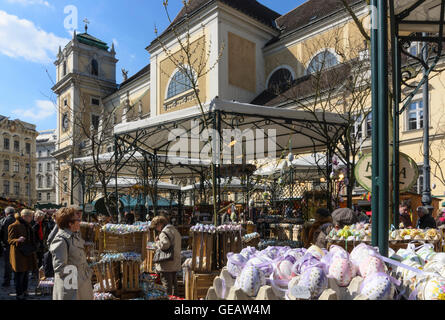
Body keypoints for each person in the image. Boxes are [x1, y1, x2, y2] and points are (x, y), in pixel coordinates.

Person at [50, 207, 93, 300]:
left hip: (82, 284)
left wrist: (87, 273)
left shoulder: (74, 236)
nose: (80, 222)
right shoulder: (61, 240)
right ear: (70, 223)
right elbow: (60, 268)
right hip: (71, 289)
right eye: (78, 220)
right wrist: (76, 281)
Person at [8, 209, 38, 300]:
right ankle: (19, 293)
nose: (32, 219)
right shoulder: (13, 226)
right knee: (19, 275)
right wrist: (18, 240)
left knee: (25, 275)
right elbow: (9, 240)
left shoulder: (27, 225)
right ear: (25, 216)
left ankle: (25, 291)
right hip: (18, 255)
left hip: (27, 253)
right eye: (31, 217)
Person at [151, 216, 181, 296]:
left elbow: (165, 245)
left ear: (160, 224)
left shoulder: (163, 233)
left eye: (156, 227)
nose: (156, 229)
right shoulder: (174, 230)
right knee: (174, 286)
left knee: (167, 286)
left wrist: (157, 242)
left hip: (166, 264)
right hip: (175, 261)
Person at [1, 207, 16, 287]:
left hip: (7, 245)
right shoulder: (18, 220)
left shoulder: (3, 221)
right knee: (17, 263)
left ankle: (7, 281)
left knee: (8, 264)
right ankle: (17, 280)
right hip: (17, 244)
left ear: (6, 213)